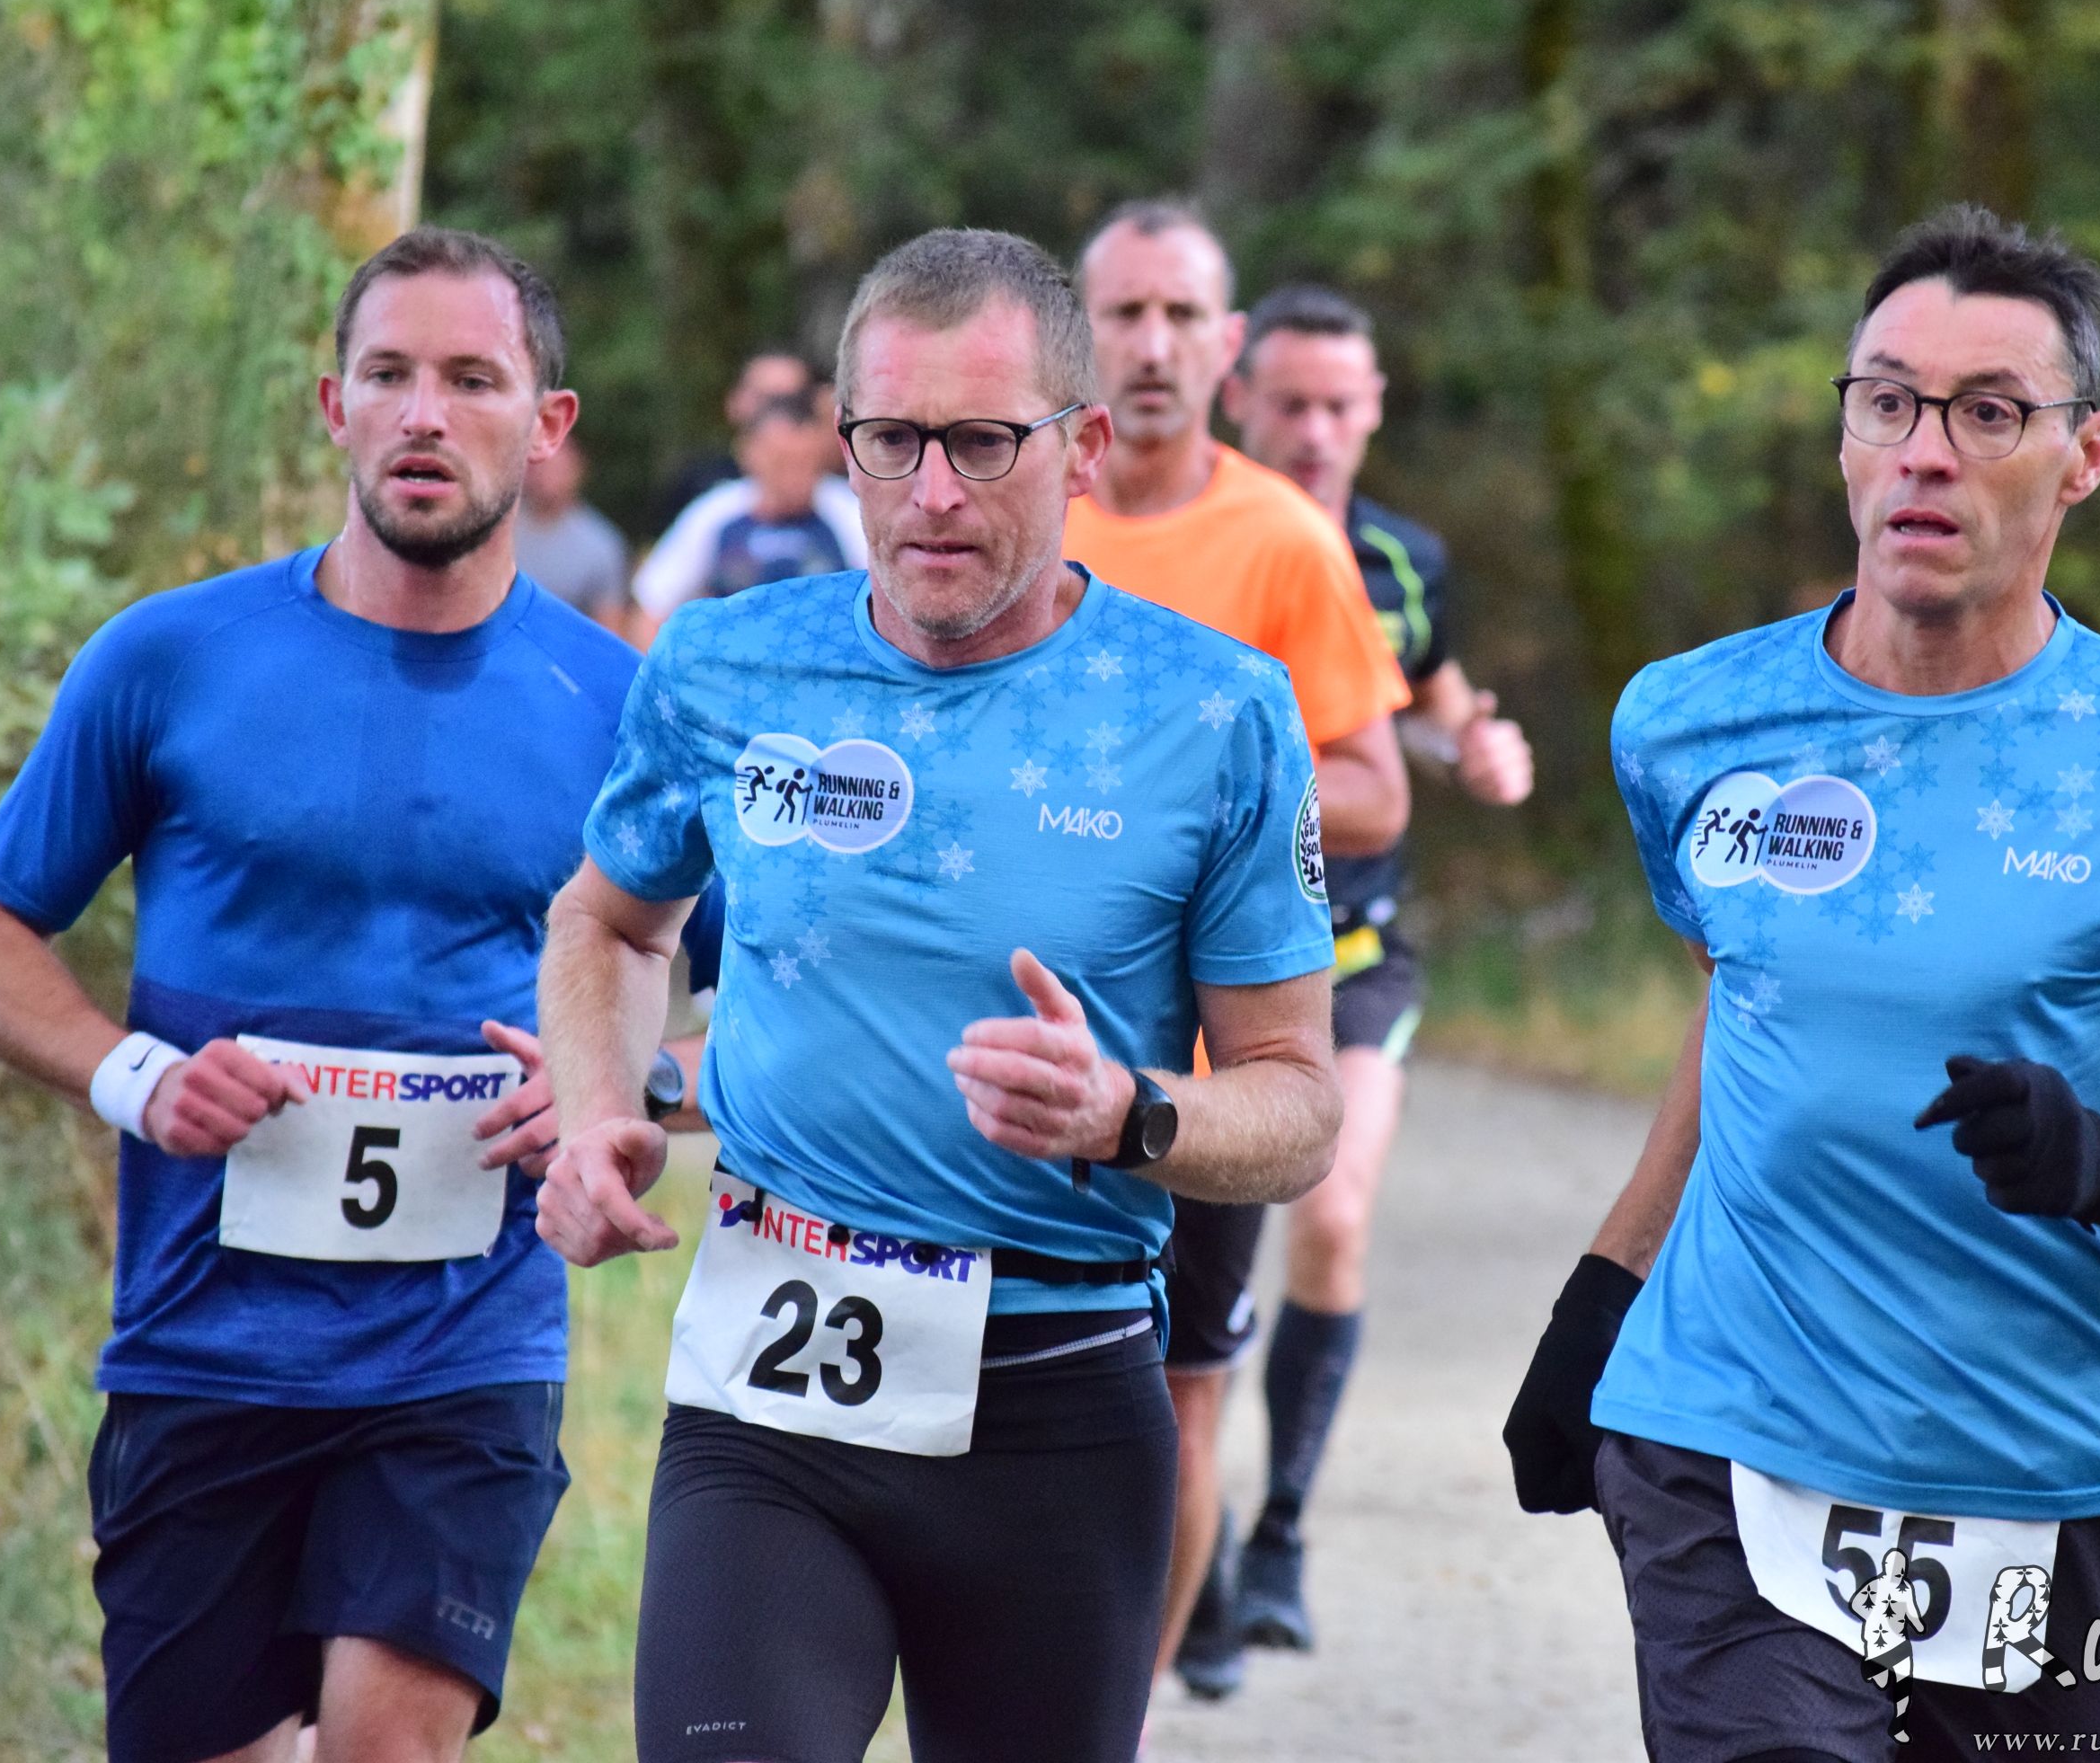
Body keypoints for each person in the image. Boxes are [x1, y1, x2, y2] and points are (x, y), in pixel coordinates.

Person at [1502, 204, 2100, 1761]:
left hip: (2048, 1478)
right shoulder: (1685, 723)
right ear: (1845, 434)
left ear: (2084, 455)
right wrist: (1603, 1294)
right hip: (1727, 1445)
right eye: (1887, 402)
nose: (1925, 453)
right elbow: (1749, 1013)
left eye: (1988, 413)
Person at [532, 226, 1343, 1763]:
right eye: (891, 441)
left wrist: (1132, 1114)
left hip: (1058, 1403)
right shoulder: (724, 664)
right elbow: (612, 926)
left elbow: (1299, 1105)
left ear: (1081, 449)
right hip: (770, 1398)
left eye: (983, 442)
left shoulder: (1216, 712)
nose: (933, 493)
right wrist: (592, 1113)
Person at [0, 228, 642, 1763]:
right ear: (334, 406)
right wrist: (138, 1079)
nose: (424, 415)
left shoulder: (615, 705)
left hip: (464, 1348)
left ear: (549, 423)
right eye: (388, 375)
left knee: (387, 1745)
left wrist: (599, 1091)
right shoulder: (169, 659)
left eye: (473, 380)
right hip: (205, 1343)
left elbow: (699, 968)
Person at [1062, 199, 1411, 1701]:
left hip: (1204, 1072)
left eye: (1179, 316)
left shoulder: (1283, 538)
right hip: (1015, 1041)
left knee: (1176, 1406)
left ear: (1229, 345)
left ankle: (1118, 1726)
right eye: (1123, 314)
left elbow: (1376, 789)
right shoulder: (1019, 506)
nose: (1150, 346)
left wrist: (1195, 795)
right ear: (1076, 334)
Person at [1208, 282, 1535, 1660]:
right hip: (1201, 965)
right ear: (1240, 399)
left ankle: (1280, 1537)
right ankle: (1196, 1539)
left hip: (1350, 949)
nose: (1317, 430)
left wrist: (1480, 749)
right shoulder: (1197, 537)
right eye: (1291, 403)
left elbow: (1436, 700)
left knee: (1331, 1218)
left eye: (1342, 405)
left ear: (1377, 408)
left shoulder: (1405, 561)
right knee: (1189, 1256)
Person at [631, 389, 868, 643]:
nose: (794, 476)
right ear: (748, 454)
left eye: (805, 463)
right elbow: (652, 608)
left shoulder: (848, 512)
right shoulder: (715, 513)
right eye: (782, 462)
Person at [649, 349, 817, 530]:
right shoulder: (701, 489)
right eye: (765, 398)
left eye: (793, 401)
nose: (779, 411)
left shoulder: (835, 501)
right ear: (734, 401)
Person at [516, 432, 631, 630]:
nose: (547, 477)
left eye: (558, 468)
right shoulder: (496, 531)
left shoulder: (602, 546)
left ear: (578, 470)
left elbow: (609, 628)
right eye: (542, 466)